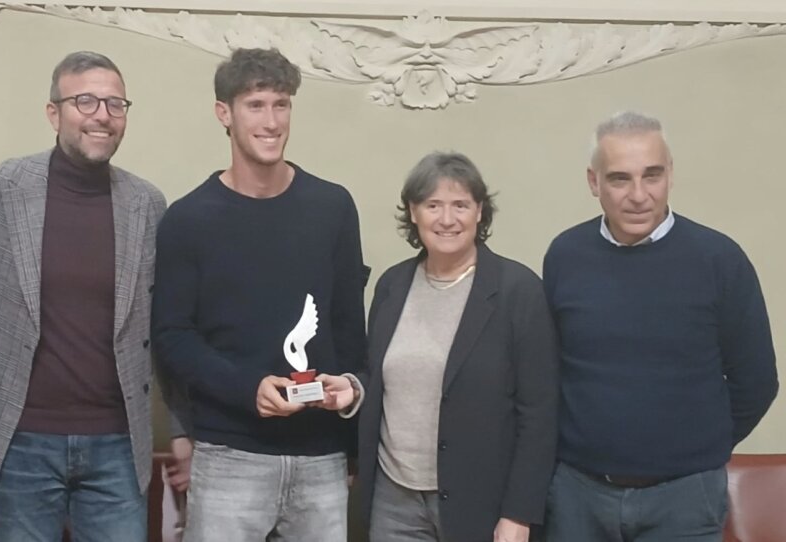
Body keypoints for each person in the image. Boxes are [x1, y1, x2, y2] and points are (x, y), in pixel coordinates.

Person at [0, 51, 178, 541]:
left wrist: (181, 427)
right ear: (53, 113)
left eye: (115, 104)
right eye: (85, 101)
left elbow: (168, 324)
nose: (102, 115)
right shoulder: (0, 189)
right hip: (19, 443)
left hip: (118, 444)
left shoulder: (146, 204)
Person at [151, 47, 367, 542]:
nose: (271, 121)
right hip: (230, 456)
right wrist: (247, 389)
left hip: (321, 458)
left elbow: (349, 332)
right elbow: (173, 337)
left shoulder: (333, 208)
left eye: (281, 104)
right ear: (223, 113)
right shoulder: (188, 220)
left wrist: (351, 427)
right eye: (255, 105)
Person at [543, 111, 779, 541]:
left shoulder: (719, 260)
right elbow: (550, 371)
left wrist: (696, 449)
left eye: (652, 175)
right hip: (578, 496)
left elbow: (757, 381)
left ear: (670, 174)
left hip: (684, 499)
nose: (639, 195)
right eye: (620, 179)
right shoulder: (565, 256)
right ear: (594, 182)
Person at [354, 151, 559, 542]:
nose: (447, 219)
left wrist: (519, 513)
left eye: (460, 205)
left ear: (480, 211)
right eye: (433, 205)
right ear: (413, 212)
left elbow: (539, 413)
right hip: (394, 501)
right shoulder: (392, 286)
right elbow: (376, 378)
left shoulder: (518, 291)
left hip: (482, 503)